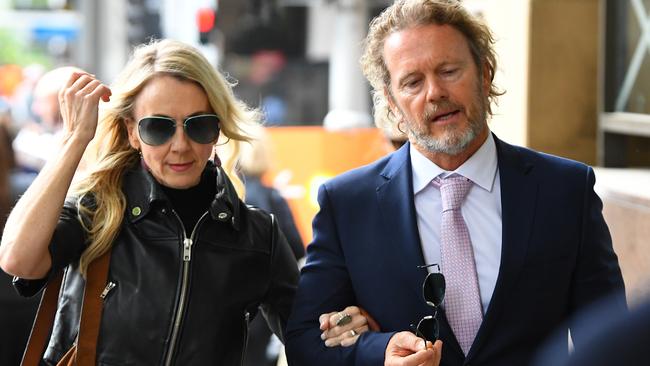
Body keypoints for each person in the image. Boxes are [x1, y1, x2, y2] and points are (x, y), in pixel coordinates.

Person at [285, 1, 625, 365]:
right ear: (392, 102)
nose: (434, 93)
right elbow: (304, 341)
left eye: (448, 71)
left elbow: (613, 338)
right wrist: (380, 352)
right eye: (412, 82)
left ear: (485, 74)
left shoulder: (565, 190)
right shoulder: (348, 203)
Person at [0, 39, 362, 365]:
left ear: (217, 129)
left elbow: (308, 340)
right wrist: (74, 140)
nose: (180, 145)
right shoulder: (98, 210)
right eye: (158, 127)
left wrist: (345, 325)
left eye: (198, 125)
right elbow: (19, 259)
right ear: (132, 133)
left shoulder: (255, 235)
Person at [238, 126, 305, 366]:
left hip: (231, 310)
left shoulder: (224, 198)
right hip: (266, 311)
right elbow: (297, 248)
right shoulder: (273, 197)